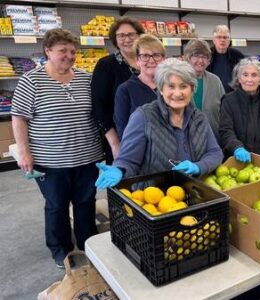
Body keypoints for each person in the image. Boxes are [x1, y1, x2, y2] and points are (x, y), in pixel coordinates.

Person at [11, 29, 103, 269]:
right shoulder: (31, 80)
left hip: (87, 156)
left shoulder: (86, 78)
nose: (69, 56)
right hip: (50, 160)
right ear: (48, 51)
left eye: (73, 51)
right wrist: (24, 151)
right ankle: (60, 249)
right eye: (62, 50)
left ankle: (88, 243)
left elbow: (97, 114)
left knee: (86, 202)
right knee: (56, 205)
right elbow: (19, 118)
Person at [95, 59, 223, 187]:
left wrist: (198, 167)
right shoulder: (143, 117)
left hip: (193, 194)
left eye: (183, 86)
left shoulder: (199, 118)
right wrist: (119, 169)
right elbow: (128, 160)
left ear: (192, 89)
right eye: (171, 86)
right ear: (161, 89)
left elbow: (215, 152)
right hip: (154, 199)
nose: (177, 93)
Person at [91, 17, 144, 163]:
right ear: (115, 39)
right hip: (121, 138)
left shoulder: (148, 61)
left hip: (149, 137)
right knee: (122, 182)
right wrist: (114, 144)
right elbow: (99, 107)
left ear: (139, 36)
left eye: (131, 34)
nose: (126, 39)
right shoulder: (106, 65)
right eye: (121, 35)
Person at [114, 34, 165, 139]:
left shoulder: (170, 85)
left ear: (164, 59)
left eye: (156, 55)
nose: (151, 60)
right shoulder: (125, 90)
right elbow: (123, 131)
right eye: (145, 56)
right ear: (137, 60)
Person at [183, 39, 225, 141]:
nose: (200, 61)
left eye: (205, 57)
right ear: (187, 58)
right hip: (186, 140)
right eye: (196, 56)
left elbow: (224, 111)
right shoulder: (180, 80)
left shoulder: (215, 81)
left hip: (213, 138)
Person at [206, 25, 244, 93]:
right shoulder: (207, 55)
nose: (222, 40)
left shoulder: (238, 56)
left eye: (225, 37)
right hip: (212, 94)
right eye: (219, 37)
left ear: (229, 40)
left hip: (233, 95)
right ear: (213, 40)